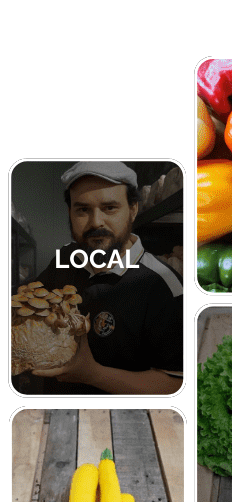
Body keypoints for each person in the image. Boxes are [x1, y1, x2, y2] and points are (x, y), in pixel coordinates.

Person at [30, 161, 183, 395]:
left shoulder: (163, 285)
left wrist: (93, 374)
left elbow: (174, 384)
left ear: (132, 210)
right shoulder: (65, 256)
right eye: (82, 209)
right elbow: (32, 305)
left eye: (110, 208)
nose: (95, 222)